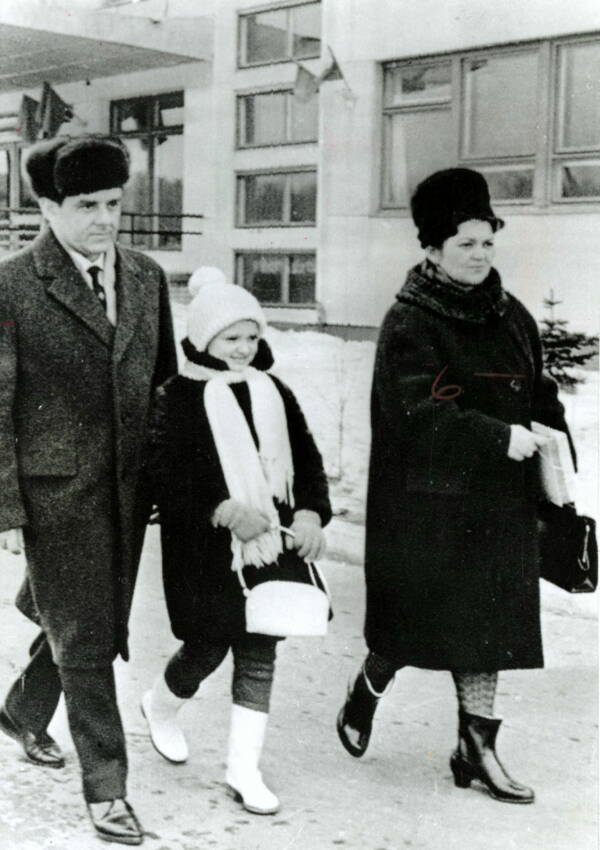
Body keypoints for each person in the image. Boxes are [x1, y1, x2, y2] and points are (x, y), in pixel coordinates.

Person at [336, 168, 574, 804]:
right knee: (410, 626)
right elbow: (416, 413)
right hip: (427, 505)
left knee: (488, 628)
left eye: (487, 241)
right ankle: (369, 684)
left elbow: (539, 389)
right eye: (465, 243)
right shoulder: (410, 322)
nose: (479, 255)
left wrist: (552, 440)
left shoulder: (511, 315)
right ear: (433, 249)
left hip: (499, 504)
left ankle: (476, 749)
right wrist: (497, 436)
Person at [0, 136, 177, 845]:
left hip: (130, 492)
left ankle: (20, 709)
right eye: (87, 206)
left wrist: (170, 476)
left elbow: (165, 385)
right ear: (48, 207)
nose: (106, 219)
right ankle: (107, 789)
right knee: (88, 636)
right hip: (56, 496)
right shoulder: (12, 286)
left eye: (114, 204)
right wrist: (8, 507)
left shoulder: (146, 275)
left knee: (88, 619)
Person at [141, 267, 331, 816]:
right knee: (208, 644)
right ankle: (161, 703)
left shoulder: (275, 392)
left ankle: (243, 769)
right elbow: (163, 474)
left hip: (271, 548)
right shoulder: (179, 397)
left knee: (260, 649)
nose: (245, 348)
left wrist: (313, 512)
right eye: (232, 338)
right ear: (204, 340)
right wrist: (222, 510)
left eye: (252, 336)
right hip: (205, 553)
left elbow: (307, 458)